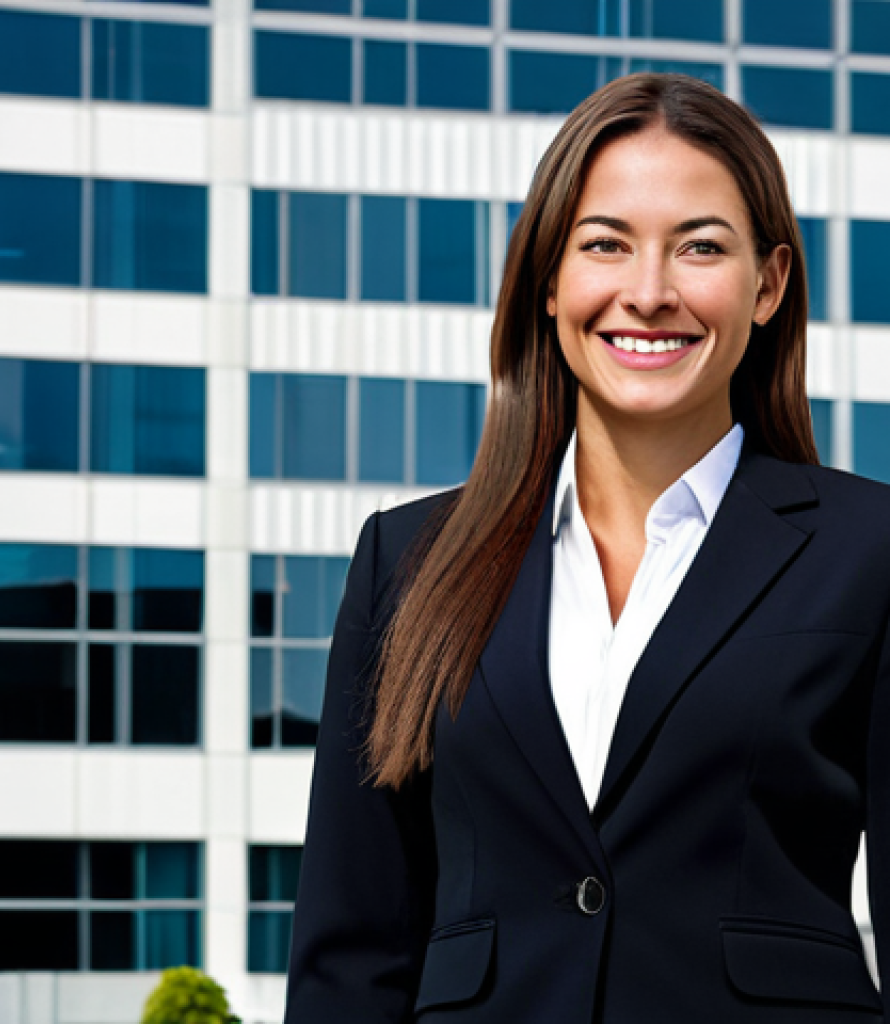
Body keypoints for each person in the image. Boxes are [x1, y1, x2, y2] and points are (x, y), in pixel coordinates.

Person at [282, 72, 890, 1023]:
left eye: (699, 248)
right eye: (605, 244)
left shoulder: (869, 551)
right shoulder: (406, 562)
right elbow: (351, 950)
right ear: (550, 280)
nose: (648, 294)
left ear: (767, 284)